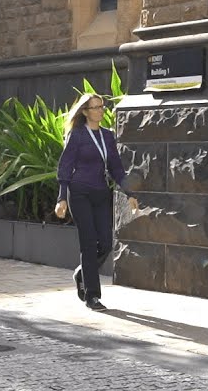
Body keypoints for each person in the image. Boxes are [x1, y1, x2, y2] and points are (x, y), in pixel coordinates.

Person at [54, 92, 138, 311]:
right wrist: (62, 198)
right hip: (79, 193)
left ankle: (82, 272)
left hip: (101, 194)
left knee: (106, 244)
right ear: (85, 111)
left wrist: (129, 192)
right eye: (96, 107)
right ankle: (92, 295)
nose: (101, 110)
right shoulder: (77, 135)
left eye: (102, 106)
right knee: (89, 243)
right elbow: (65, 167)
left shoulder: (108, 136)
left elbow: (116, 168)